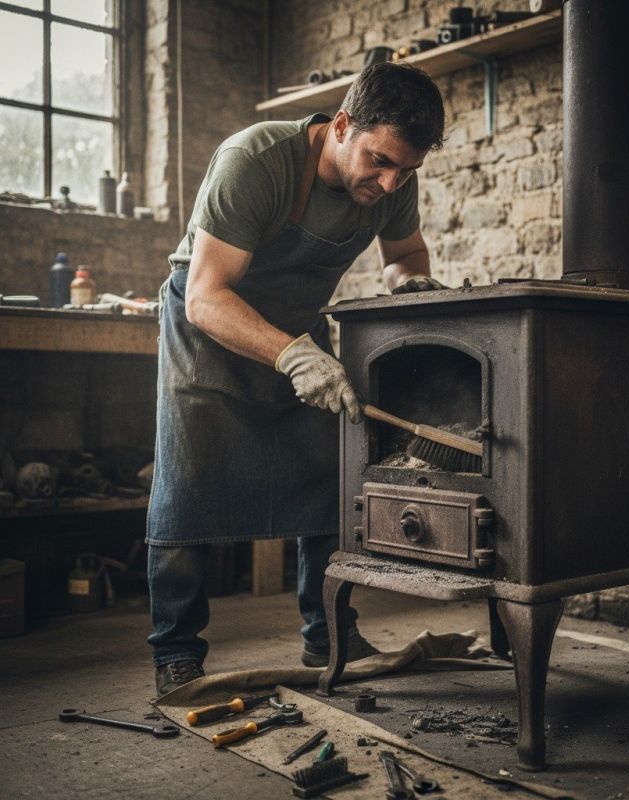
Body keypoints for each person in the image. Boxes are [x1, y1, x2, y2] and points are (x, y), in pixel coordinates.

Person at [146, 62, 447, 697]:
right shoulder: (254, 159)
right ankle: (176, 650)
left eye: (406, 171)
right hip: (211, 331)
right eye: (380, 161)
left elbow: (405, 257)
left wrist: (413, 287)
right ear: (341, 125)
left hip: (298, 331)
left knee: (326, 485)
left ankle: (329, 633)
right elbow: (205, 295)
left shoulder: (393, 181)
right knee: (188, 487)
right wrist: (292, 356)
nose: (390, 181)